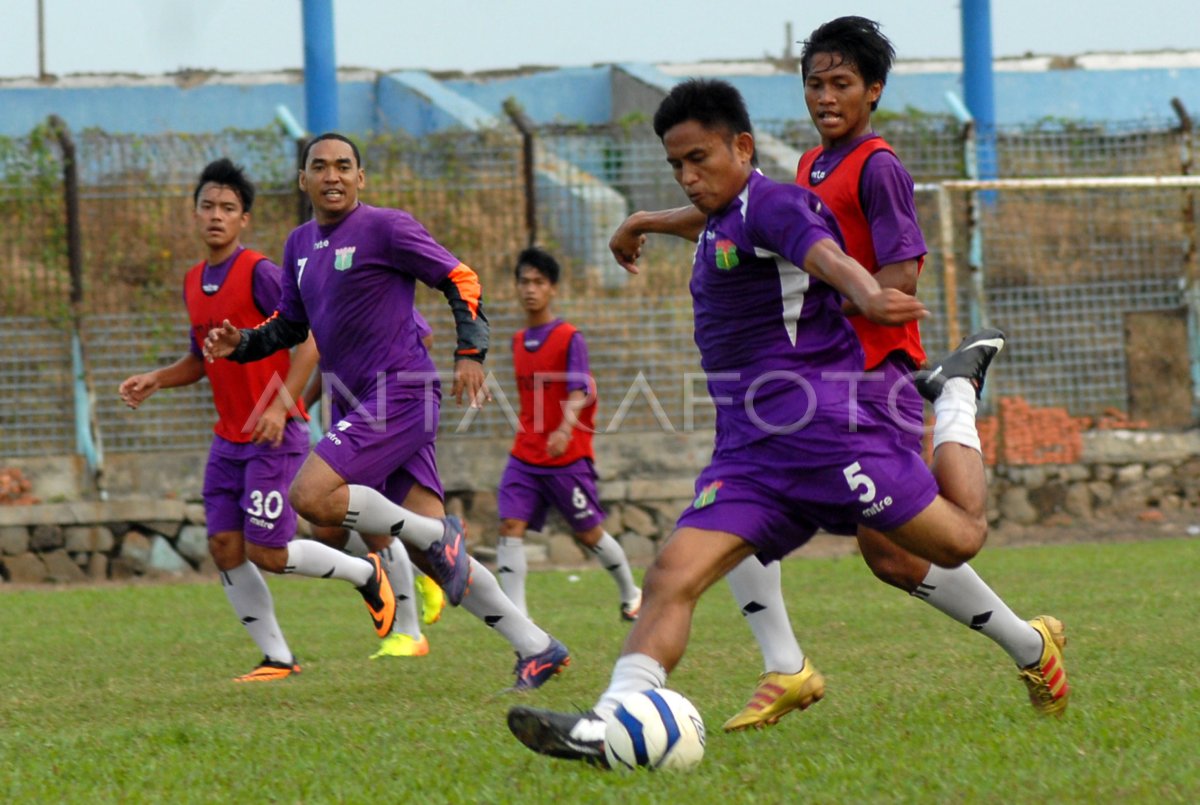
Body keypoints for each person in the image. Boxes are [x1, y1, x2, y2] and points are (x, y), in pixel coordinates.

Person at [507, 78, 1057, 764]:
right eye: (676, 164)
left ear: (742, 147)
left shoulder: (777, 204)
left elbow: (822, 253)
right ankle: (608, 721)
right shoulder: (722, 217)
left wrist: (870, 294)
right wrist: (645, 218)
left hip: (830, 437)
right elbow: (705, 219)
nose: (688, 175)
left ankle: (954, 396)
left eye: (699, 159)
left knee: (958, 540)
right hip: (750, 457)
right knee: (670, 576)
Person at [203, 133, 570, 690]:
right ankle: (539, 648)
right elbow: (291, 327)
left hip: (402, 391)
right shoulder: (300, 244)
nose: (333, 176)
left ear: (361, 178)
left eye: (344, 167)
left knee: (311, 498)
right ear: (303, 180)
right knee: (437, 560)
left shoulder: (386, 227)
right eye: (320, 167)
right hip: (363, 402)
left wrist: (470, 352)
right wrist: (244, 344)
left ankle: (432, 530)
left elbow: (460, 278)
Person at [119, 158, 398, 682]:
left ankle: (365, 572)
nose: (216, 216)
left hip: (275, 432)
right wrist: (157, 377)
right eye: (208, 206)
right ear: (195, 215)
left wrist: (279, 404)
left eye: (228, 208)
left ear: (244, 219)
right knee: (225, 546)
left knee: (267, 551)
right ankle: (278, 658)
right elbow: (204, 360)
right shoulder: (193, 281)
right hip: (228, 439)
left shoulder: (262, 272)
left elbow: (311, 340)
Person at [495, 246, 641, 620]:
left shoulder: (568, 337)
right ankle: (518, 620)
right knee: (510, 526)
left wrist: (564, 427)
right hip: (526, 453)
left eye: (539, 282)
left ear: (553, 289)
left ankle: (631, 593)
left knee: (588, 533)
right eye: (524, 282)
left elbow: (580, 389)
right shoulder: (516, 341)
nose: (530, 289)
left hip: (566, 456)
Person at [305, 310, 446, 660]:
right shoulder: (318, 286)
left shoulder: (368, 282)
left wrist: (383, 380)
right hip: (347, 415)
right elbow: (325, 359)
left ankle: (409, 633)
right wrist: (301, 404)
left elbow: (424, 337)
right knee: (325, 530)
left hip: (382, 412)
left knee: (367, 520)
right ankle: (420, 567)